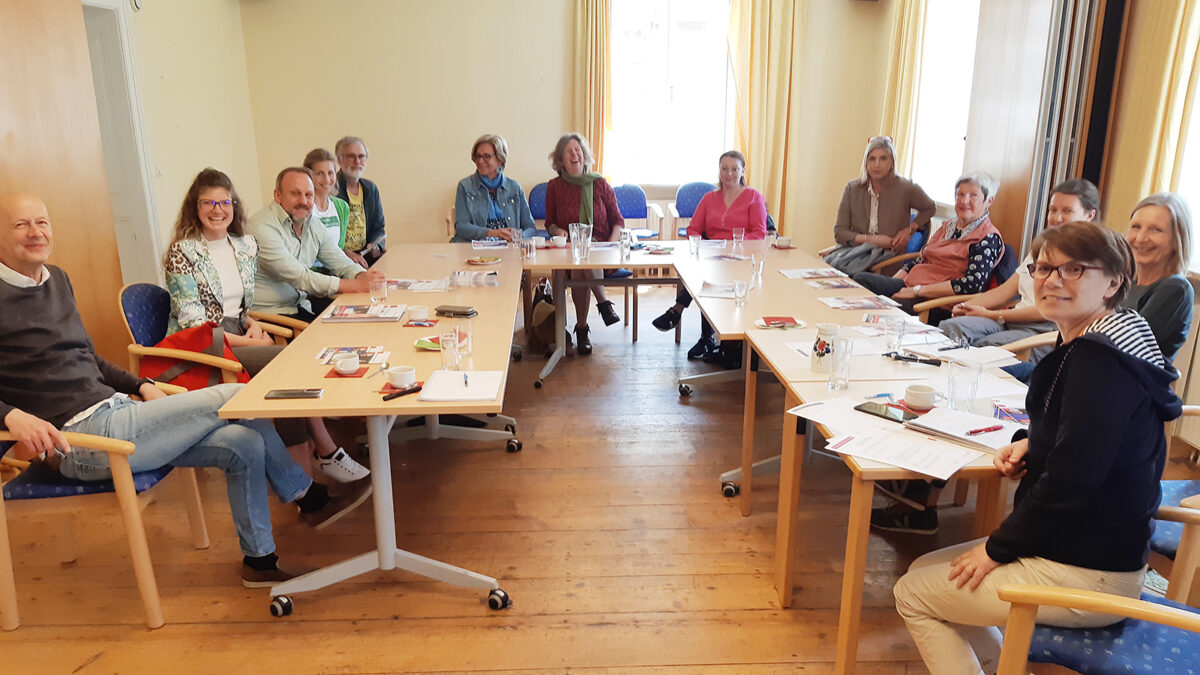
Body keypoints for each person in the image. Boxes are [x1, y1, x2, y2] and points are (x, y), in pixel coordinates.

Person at [0, 192, 372, 588]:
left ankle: (260, 562)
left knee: (243, 441)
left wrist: (142, 385)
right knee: (239, 396)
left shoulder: (57, 279)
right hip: (79, 441)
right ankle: (306, 495)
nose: (36, 232)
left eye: (42, 222)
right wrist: (11, 414)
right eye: (22, 225)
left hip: (117, 413)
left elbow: (88, 358)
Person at [892, 221, 1181, 675]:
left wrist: (997, 549)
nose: (1052, 280)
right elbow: (1088, 440)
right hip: (1089, 549)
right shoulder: (1106, 337)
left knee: (914, 594)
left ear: (1113, 281)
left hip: (1093, 569)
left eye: (1073, 270)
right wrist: (1032, 443)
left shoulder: (1100, 362)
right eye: (1044, 268)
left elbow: (1072, 480)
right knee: (924, 570)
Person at [163, 168, 370, 483]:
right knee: (288, 368)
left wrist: (253, 324)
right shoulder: (182, 252)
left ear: (234, 206)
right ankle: (316, 466)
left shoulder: (244, 246)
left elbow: (240, 305)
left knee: (294, 369)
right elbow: (195, 323)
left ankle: (311, 471)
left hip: (237, 332)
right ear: (195, 207)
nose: (217, 210)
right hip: (199, 345)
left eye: (224, 202)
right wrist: (252, 343)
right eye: (208, 203)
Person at [939, 179, 1100, 351]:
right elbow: (1006, 290)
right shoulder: (1044, 245)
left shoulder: (1089, 258)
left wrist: (994, 315)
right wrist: (966, 306)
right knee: (950, 327)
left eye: (1067, 211)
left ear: (1089, 215)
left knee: (985, 348)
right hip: (1011, 321)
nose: (1056, 218)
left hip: (1043, 332)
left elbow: (1049, 310)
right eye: (1052, 210)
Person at [651, 150, 767, 364]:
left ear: (742, 171)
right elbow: (693, 228)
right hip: (712, 255)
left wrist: (733, 247)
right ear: (719, 171)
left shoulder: (753, 197)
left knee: (708, 277)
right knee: (706, 275)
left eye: (734, 169)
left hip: (741, 257)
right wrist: (701, 245)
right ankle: (705, 337)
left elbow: (759, 233)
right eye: (724, 169)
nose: (729, 173)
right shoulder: (709, 197)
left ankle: (679, 312)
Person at [851, 171, 1005, 314]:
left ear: (989, 201)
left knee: (888, 308)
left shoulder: (987, 238)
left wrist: (917, 291)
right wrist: (892, 284)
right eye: (960, 194)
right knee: (860, 281)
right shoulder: (948, 227)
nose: (964, 201)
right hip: (912, 285)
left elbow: (971, 285)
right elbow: (921, 258)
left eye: (973, 196)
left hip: (936, 301)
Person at [247, 167, 384, 322]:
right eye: (295, 194)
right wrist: (358, 285)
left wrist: (363, 276)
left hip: (302, 306)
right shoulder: (262, 228)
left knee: (364, 320)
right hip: (270, 317)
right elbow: (301, 278)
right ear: (278, 196)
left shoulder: (312, 224)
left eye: (308, 195)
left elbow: (340, 260)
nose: (303, 201)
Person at [543, 133, 625, 354]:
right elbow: (549, 222)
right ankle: (602, 306)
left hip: (602, 249)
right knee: (581, 261)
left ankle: (582, 328)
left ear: (584, 155)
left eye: (578, 149)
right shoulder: (554, 186)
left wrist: (610, 245)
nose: (574, 154)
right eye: (568, 151)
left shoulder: (599, 183)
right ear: (560, 160)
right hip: (569, 249)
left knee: (585, 261)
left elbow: (618, 221)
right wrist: (558, 231)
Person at [824, 136, 936, 275]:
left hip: (889, 258)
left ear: (892, 162)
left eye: (883, 158)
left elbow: (930, 208)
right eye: (872, 159)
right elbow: (840, 233)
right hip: (854, 252)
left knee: (846, 275)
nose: (877, 164)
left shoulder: (906, 188)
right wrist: (873, 240)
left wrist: (910, 229)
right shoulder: (852, 189)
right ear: (865, 162)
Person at [1123, 192, 1195, 363]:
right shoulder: (1125, 280)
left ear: (1177, 241)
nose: (1141, 238)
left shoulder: (1176, 289)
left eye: (1156, 230)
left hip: (1131, 383)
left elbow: (1125, 346)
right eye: (1136, 227)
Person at [451, 134, 536, 243]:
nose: (480, 161)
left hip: (509, 249)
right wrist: (495, 233)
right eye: (478, 156)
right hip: (474, 249)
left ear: (500, 159)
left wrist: (518, 236)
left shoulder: (514, 188)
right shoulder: (465, 186)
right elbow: (461, 226)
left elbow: (531, 228)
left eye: (486, 156)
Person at [335, 136, 386, 267]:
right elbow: (324, 233)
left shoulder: (371, 189)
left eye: (361, 156)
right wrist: (345, 252)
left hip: (365, 255)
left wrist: (375, 245)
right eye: (351, 156)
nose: (357, 161)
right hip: (339, 258)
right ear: (339, 159)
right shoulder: (331, 188)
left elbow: (378, 228)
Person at [304, 148, 350, 257]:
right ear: (309, 176)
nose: (327, 180)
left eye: (330, 173)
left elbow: (339, 249)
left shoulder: (342, 207)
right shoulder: (303, 208)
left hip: (336, 271)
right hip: (309, 272)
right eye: (320, 173)